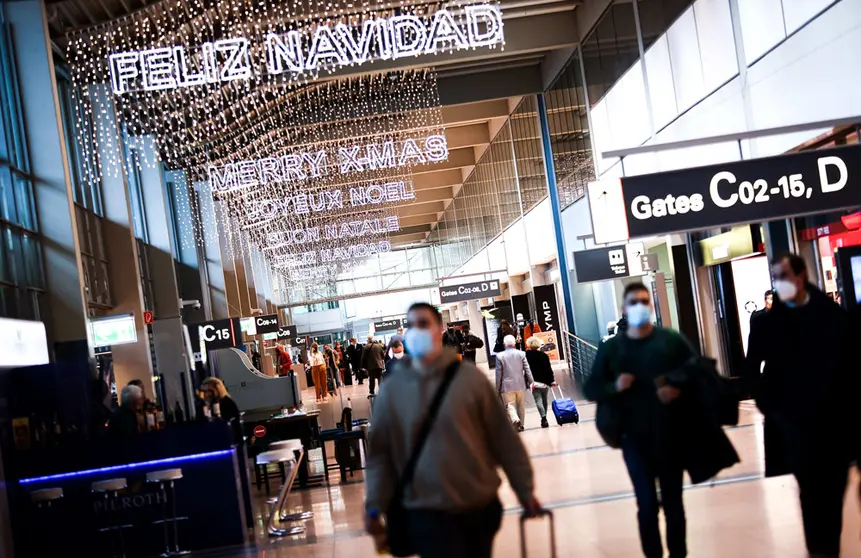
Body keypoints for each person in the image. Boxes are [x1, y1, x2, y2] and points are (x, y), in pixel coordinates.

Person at [365, 302, 540, 558]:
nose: (416, 331)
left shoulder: (470, 380)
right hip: (426, 508)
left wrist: (524, 490)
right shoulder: (394, 389)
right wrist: (373, 507)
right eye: (412, 326)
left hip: (477, 503)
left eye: (423, 324)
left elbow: (504, 440)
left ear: (439, 330)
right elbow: (380, 454)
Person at [585, 282, 738, 558]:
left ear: (651, 305)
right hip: (633, 439)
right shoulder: (612, 349)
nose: (639, 307)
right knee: (646, 503)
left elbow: (698, 373)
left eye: (644, 301)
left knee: (673, 502)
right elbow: (591, 388)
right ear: (623, 308)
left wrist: (677, 388)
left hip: (671, 436)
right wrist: (615, 386)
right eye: (633, 302)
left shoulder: (670, 340)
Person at [744, 254, 854, 558]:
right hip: (794, 425)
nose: (779, 282)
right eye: (775, 275)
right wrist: (772, 409)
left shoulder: (832, 315)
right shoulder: (767, 323)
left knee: (833, 493)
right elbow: (752, 370)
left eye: (783, 275)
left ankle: (828, 547)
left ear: (801, 276)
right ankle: (820, 551)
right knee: (810, 491)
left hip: (834, 423)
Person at [495, 334, 533, 432]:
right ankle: (522, 425)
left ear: (504, 344)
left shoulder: (500, 356)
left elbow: (498, 374)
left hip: (507, 386)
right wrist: (532, 382)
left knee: (509, 405)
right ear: (514, 343)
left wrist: (497, 388)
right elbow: (527, 369)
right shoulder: (521, 354)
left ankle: (515, 420)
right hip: (520, 384)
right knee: (521, 405)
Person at [525, 336, 555, 428]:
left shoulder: (526, 355)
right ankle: (544, 417)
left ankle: (543, 417)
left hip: (533, 381)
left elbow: (525, 369)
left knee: (538, 400)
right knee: (544, 399)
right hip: (544, 381)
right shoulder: (544, 356)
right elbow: (548, 369)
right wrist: (551, 380)